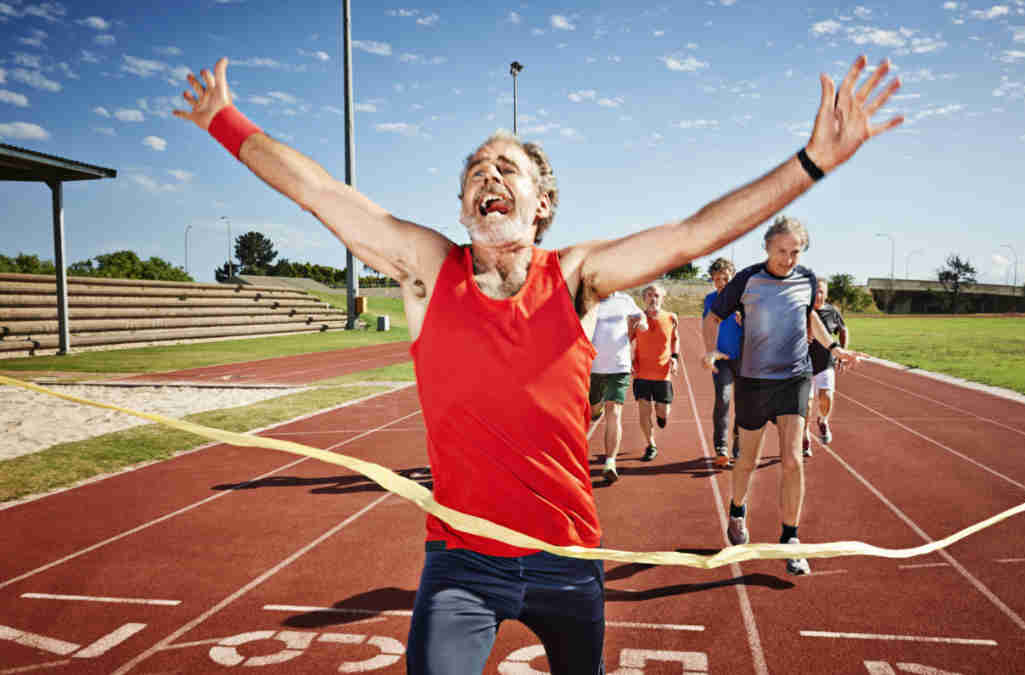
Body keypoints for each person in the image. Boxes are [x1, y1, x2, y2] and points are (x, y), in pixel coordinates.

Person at [175, 54, 901, 674]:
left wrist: (811, 164)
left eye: (506, 167)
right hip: (462, 565)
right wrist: (224, 121)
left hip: (568, 560)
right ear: (465, 206)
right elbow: (322, 194)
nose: (488, 174)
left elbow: (690, 235)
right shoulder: (428, 269)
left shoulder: (577, 277)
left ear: (540, 203)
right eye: (475, 170)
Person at [702, 216, 870, 576]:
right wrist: (709, 350)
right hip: (753, 381)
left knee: (792, 459)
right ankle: (737, 509)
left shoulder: (806, 280)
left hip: (795, 378)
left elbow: (811, 318)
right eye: (782, 251)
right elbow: (713, 318)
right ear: (767, 247)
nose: (788, 259)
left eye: (795, 252)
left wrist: (834, 349)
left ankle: (791, 538)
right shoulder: (747, 280)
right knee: (746, 459)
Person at [588, 291, 646, 483]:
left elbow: (640, 315)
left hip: (619, 365)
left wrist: (642, 323)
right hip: (592, 366)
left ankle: (610, 462)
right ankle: (596, 409)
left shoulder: (625, 299)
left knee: (614, 413)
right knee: (594, 410)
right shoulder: (587, 298)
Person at [630, 282, 679, 461]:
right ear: (644, 298)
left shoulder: (671, 317)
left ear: (662, 298)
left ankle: (662, 417)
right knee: (644, 411)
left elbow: (675, 339)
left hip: (662, 373)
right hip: (641, 373)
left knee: (662, 411)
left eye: (657, 295)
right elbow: (627, 340)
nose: (653, 298)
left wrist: (675, 358)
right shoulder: (636, 319)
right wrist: (629, 360)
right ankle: (651, 445)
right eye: (650, 295)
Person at [703, 258, 742, 467]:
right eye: (717, 279)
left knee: (743, 404)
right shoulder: (710, 300)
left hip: (744, 358)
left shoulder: (744, 299)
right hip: (722, 359)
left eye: (725, 278)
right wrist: (711, 351)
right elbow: (706, 326)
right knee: (724, 399)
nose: (721, 282)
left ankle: (738, 446)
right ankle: (721, 447)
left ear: (732, 278)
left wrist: (746, 321)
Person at [806, 277, 848, 455]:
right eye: (815, 291)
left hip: (825, 364)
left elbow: (844, 330)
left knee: (826, 398)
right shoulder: (802, 311)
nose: (818, 295)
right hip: (803, 367)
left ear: (826, 294)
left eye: (821, 291)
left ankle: (823, 421)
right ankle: (804, 436)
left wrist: (843, 354)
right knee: (805, 406)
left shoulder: (833, 312)